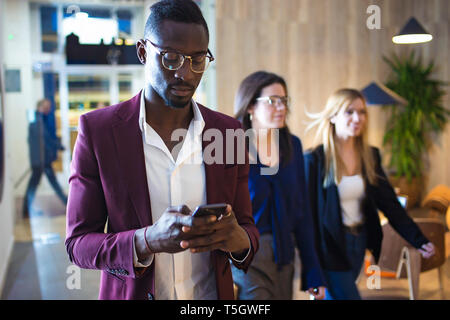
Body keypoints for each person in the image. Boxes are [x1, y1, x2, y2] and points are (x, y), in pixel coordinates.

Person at [65, 0, 259, 300]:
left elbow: (247, 228)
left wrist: (238, 239)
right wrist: (147, 240)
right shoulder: (99, 131)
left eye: (198, 60)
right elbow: (78, 244)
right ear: (143, 52)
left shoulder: (228, 132)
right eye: (171, 58)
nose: (186, 74)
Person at [304, 88, 435, 300]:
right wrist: (311, 269)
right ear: (333, 116)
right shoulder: (315, 159)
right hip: (331, 247)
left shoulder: (370, 156)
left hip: (359, 242)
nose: (358, 118)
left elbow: (390, 204)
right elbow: (308, 218)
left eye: (362, 112)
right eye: (349, 112)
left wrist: (419, 239)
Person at [232, 71, 326, 300]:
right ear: (250, 106)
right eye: (273, 101)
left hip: (285, 253)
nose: (282, 107)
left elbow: (302, 215)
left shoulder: (292, 145)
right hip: (246, 256)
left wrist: (313, 271)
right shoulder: (232, 148)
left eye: (284, 101)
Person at [23, 98, 67, 218]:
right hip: (41, 161)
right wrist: (58, 146)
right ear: (40, 107)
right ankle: (26, 209)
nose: (49, 109)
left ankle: (26, 209)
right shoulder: (38, 121)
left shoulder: (40, 120)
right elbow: (46, 139)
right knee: (36, 185)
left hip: (42, 160)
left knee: (48, 183)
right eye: (47, 106)